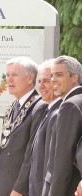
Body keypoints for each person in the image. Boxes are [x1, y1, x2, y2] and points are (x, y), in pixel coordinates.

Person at [0, 56, 42, 196]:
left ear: (30, 78)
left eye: (15, 75)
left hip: (21, 190)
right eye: (8, 75)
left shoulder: (39, 107)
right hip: (4, 185)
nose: (9, 79)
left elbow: (32, 154)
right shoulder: (13, 108)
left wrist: (19, 189)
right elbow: (2, 151)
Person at [42, 55, 82, 196]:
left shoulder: (69, 105)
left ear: (74, 78)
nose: (53, 80)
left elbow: (62, 162)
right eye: (52, 76)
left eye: (59, 75)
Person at [28, 59, 61, 196]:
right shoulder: (46, 110)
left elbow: (51, 165)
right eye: (39, 82)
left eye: (46, 81)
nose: (41, 86)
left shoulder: (59, 113)